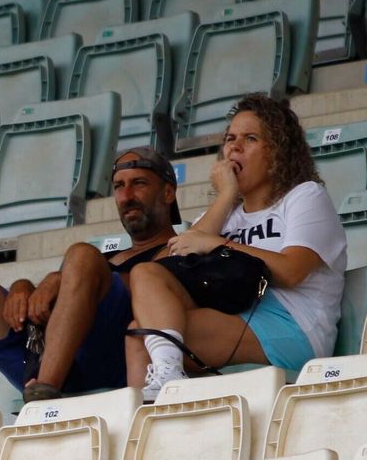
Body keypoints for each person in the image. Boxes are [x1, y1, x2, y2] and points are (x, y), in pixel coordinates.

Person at [0, 146, 182, 423]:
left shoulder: (184, 249)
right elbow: (61, 298)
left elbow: (153, 292)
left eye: (139, 183)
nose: (127, 195)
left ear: (168, 192)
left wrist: (62, 276)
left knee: (82, 254)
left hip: (114, 354)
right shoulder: (108, 257)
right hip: (47, 349)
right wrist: (23, 287)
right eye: (119, 186)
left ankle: (46, 391)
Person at [126, 93, 347, 400]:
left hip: (294, 325)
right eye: (230, 139)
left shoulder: (304, 197)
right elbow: (163, 269)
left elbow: (293, 270)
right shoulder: (222, 213)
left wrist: (217, 244)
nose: (235, 147)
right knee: (141, 327)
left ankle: (166, 387)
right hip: (236, 313)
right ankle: (149, 422)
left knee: (150, 336)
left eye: (250, 138)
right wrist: (226, 196)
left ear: (278, 153)